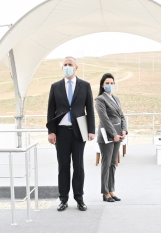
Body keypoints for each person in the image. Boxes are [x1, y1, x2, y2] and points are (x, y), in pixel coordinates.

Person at [47, 56, 95, 211]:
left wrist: (91, 130)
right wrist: (51, 131)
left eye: (70, 64)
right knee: (63, 166)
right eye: (65, 65)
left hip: (79, 131)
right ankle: (63, 199)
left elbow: (90, 109)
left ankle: (79, 198)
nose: (67, 67)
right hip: (61, 132)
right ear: (62, 67)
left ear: (76, 67)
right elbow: (51, 110)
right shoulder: (55, 87)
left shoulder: (85, 86)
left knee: (78, 166)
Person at [95, 73, 127, 202]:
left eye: (112, 83)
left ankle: (111, 190)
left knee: (113, 163)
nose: (110, 85)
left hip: (118, 134)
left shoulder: (116, 99)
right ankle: (105, 192)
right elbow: (104, 119)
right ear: (102, 85)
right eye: (107, 83)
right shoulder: (100, 100)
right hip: (107, 135)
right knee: (106, 163)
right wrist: (113, 134)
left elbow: (122, 116)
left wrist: (124, 130)